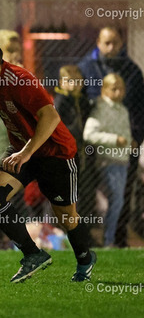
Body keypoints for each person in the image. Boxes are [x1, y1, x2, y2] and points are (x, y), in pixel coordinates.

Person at [0, 38, 96, 282]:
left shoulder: (19, 80)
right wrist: (23, 151)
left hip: (54, 153)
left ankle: (85, 258)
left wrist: (26, 152)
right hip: (22, 148)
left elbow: (51, 117)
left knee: (66, 217)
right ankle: (33, 254)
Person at [78, 26, 144, 247]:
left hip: (124, 147)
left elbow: (140, 110)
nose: (111, 47)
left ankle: (118, 240)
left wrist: (136, 138)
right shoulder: (85, 69)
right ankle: (86, 240)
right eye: (106, 42)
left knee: (121, 195)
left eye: (115, 42)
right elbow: (80, 108)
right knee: (87, 194)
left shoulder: (132, 72)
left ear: (121, 44)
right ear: (98, 42)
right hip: (93, 148)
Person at [83, 74, 132, 247]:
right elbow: (89, 134)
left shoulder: (122, 109)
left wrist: (128, 142)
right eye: (114, 89)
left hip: (122, 160)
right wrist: (114, 140)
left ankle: (109, 238)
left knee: (117, 201)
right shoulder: (101, 108)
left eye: (121, 89)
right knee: (115, 200)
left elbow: (124, 132)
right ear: (104, 89)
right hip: (108, 160)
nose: (118, 92)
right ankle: (108, 240)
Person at [53, 65, 95, 220]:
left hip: (83, 152)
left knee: (86, 190)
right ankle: (60, 225)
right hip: (67, 153)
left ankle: (84, 225)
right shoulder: (61, 101)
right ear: (61, 82)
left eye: (77, 81)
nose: (74, 84)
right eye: (69, 81)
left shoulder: (83, 101)